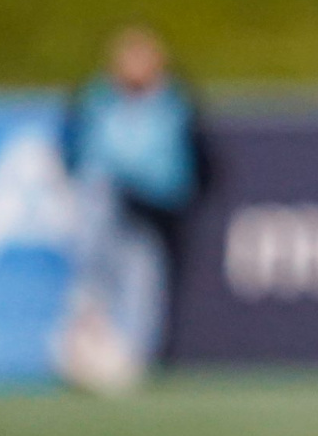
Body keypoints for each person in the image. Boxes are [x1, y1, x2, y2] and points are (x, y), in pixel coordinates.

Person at [58, 26, 209, 392]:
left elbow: (186, 163)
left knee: (142, 277)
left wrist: (161, 194)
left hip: (152, 206)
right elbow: (78, 153)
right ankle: (85, 338)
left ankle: (129, 356)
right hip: (104, 200)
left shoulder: (175, 104)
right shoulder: (96, 100)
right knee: (95, 267)